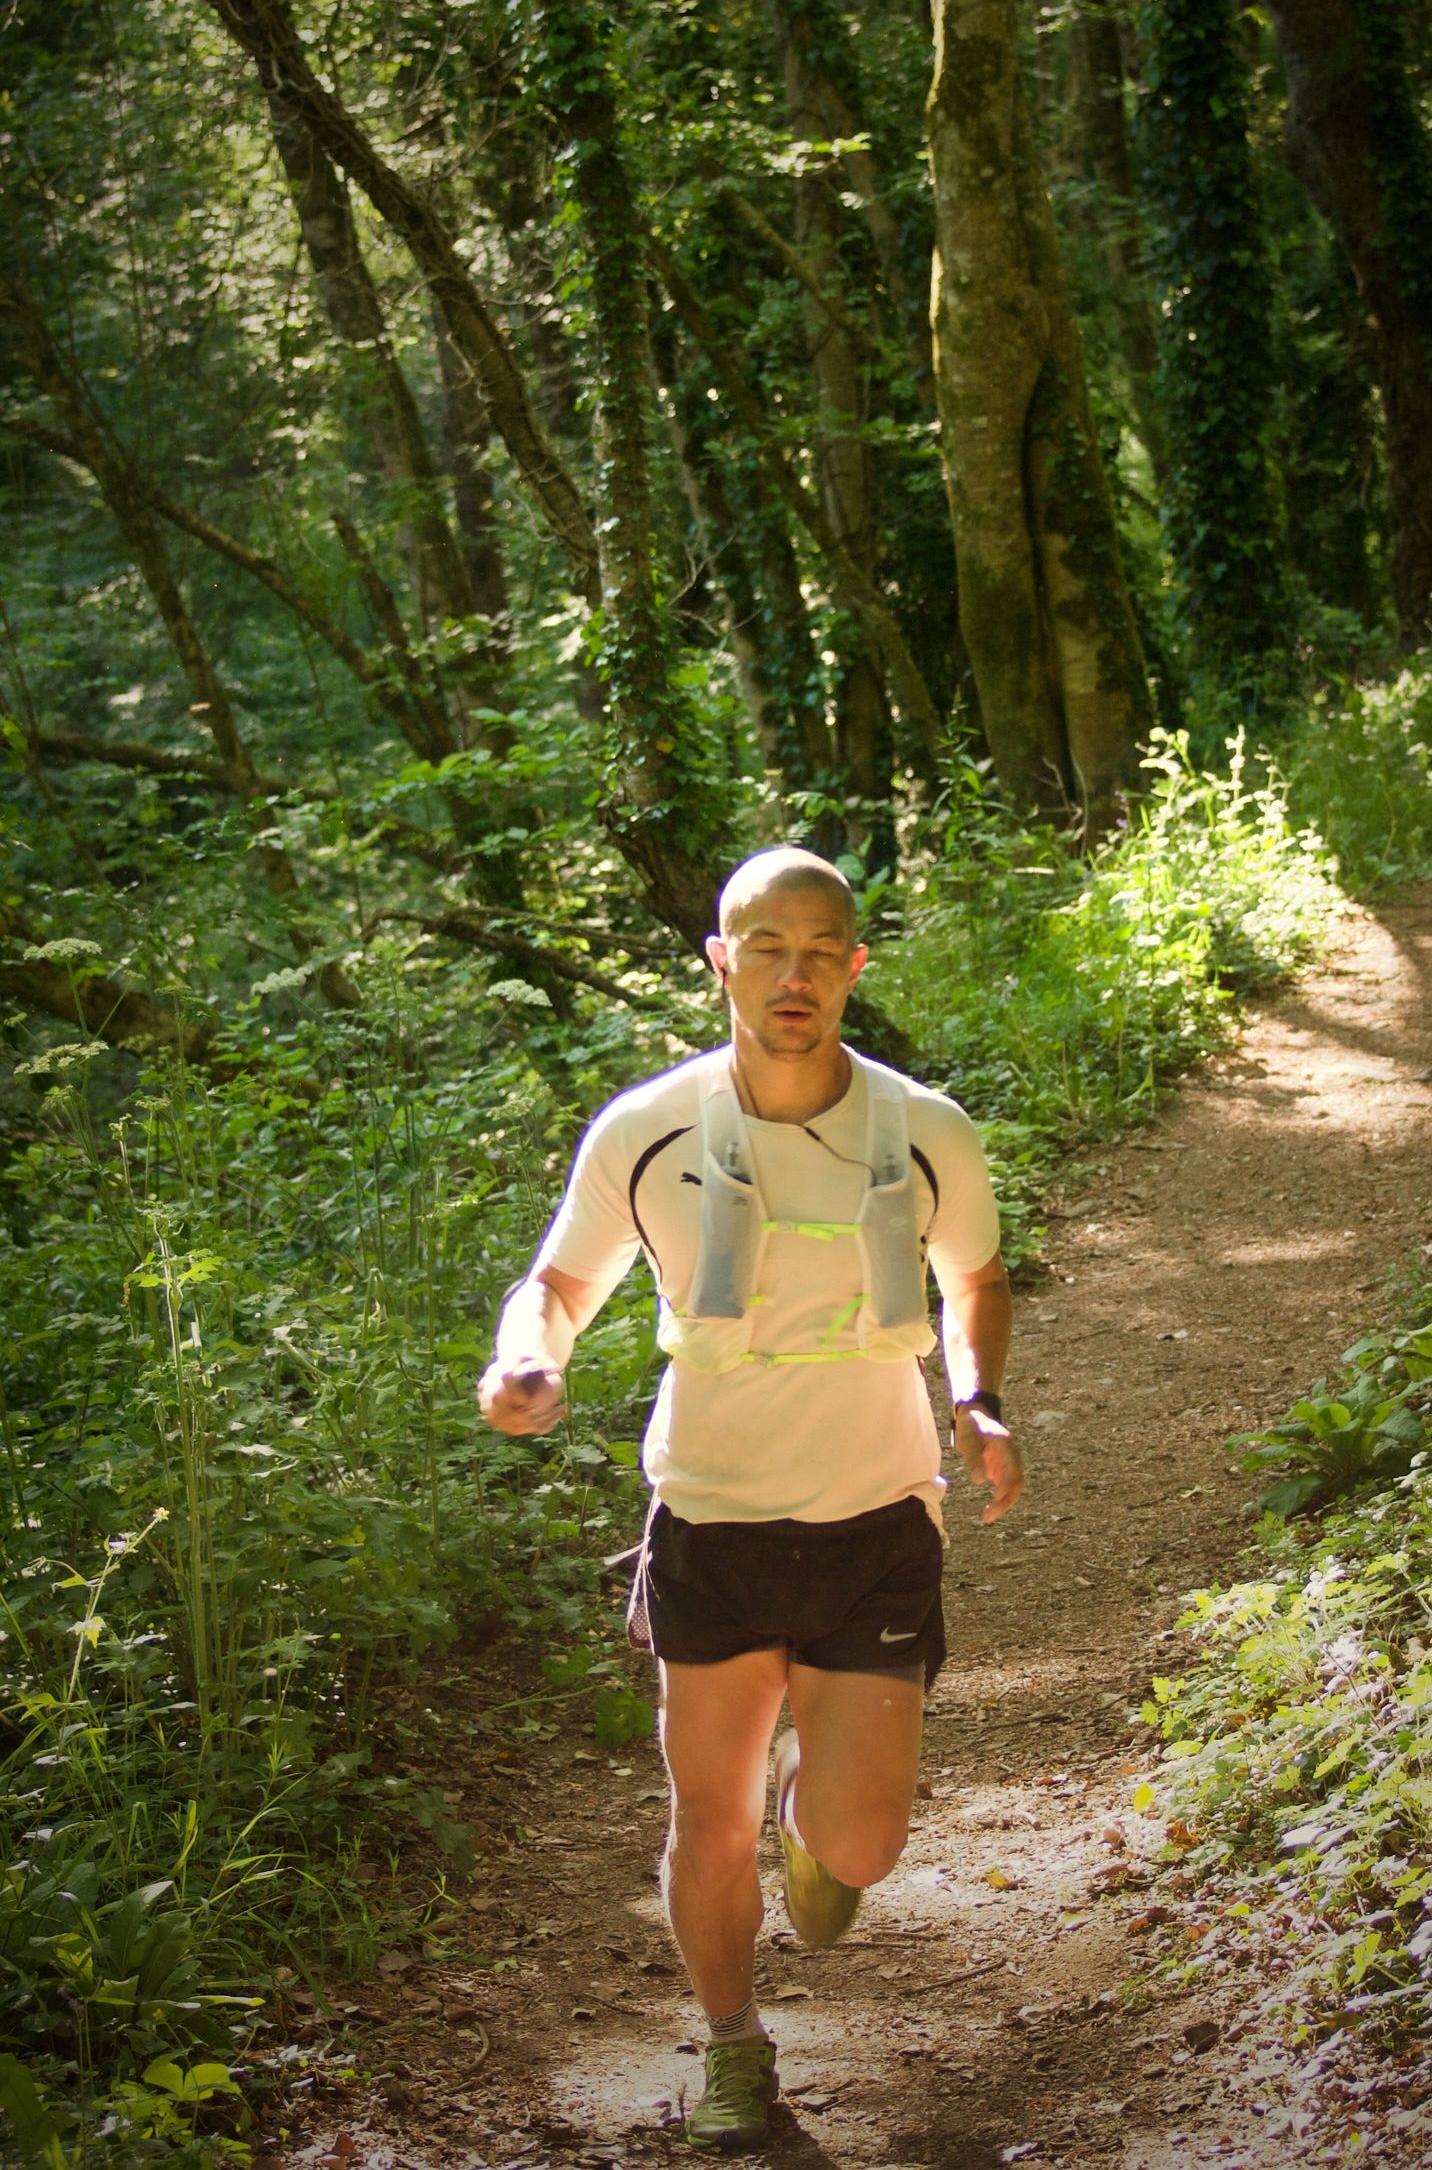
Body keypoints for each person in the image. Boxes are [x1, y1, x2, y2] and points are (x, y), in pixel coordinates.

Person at [478, 847, 1022, 2152]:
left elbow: (976, 1278)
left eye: (821, 950)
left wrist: (979, 1396)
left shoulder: (926, 1129)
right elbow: (557, 1285)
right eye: (766, 947)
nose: (794, 973)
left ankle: (815, 1821)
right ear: (721, 961)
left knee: (863, 1848)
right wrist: (527, 1359)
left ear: (854, 967)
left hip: (876, 1518)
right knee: (706, 1817)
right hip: (710, 1517)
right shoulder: (647, 1128)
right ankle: (733, 2045)